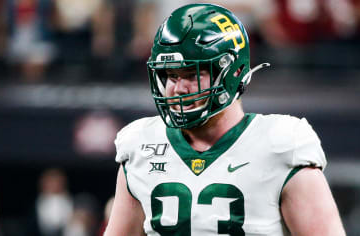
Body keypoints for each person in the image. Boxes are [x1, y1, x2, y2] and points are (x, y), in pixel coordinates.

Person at [105, 3, 345, 235]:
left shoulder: (283, 145)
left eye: (191, 74)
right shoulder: (140, 146)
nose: (177, 88)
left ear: (232, 72)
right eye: (170, 75)